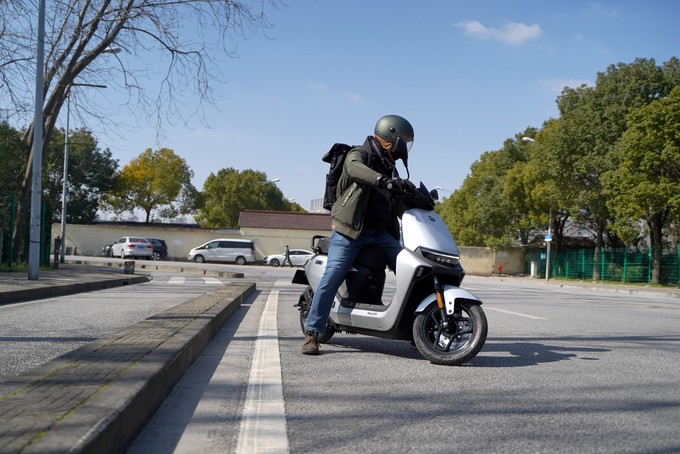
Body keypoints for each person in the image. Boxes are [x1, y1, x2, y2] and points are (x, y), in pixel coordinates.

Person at [302, 114, 415, 355]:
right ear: (389, 136)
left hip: (380, 233)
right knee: (332, 275)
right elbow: (353, 169)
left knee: (412, 268)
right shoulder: (359, 153)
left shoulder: (389, 166)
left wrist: (419, 203)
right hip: (350, 231)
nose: (404, 147)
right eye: (402, 141)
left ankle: (419, 325)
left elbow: (396, 203)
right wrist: (382, 180)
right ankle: (312, 332)